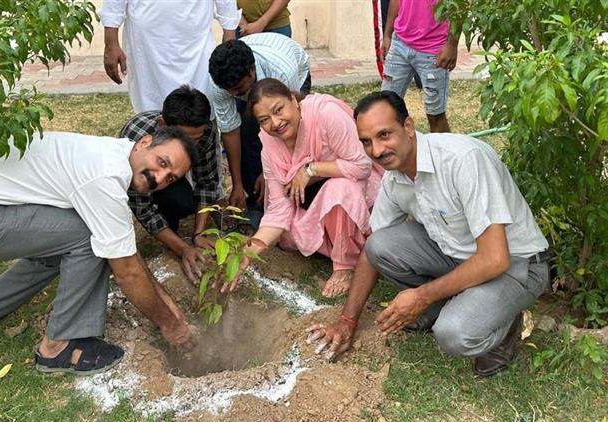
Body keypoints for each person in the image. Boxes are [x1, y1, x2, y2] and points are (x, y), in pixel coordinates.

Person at [305, 91, 551, 377]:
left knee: (453, 333)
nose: (377, 150)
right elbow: (373, 251)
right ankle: (458, 302)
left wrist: (421, 296)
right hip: (458, 255)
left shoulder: (463, 160)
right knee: (379, 245)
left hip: (517, 264)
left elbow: (495, 259)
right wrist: (347, 320)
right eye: (366, 142)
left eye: (385, 135)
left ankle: (505, 324)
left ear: (408, 127)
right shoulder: (395, 176)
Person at [0, 129, 198, 375]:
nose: (159, 178)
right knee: (89, 236)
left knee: (78, 233)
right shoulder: (105, 176)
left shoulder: (108, 153)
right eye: (162, 162)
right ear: (144, 142)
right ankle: (60, 346)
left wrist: (162, 296)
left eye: (170, 178)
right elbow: (127, 270)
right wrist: (171, 326)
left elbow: (126, 251)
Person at [223, 78, 382, 297]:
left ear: (293, 100)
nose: (276, 122)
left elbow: (362, 166)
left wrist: (310, 170)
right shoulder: (268, 144)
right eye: (264, 120)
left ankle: (345, 264)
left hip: (355, 187)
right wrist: (248, 253)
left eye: (279, 110)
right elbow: (279, 208)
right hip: (311, 199)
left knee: (340, 190)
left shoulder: (324, 114)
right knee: (284, 234)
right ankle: (339, 240)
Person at [118, 86, 222, 285]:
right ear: (161, 125)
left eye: (195, 140)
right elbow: (144, 209)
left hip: (171, 170)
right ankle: (169, 231)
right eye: (184, 139)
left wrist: (198, 234)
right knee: (166, 197)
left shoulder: (204, 131)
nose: (191, 145)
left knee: (184, 202)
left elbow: (207, 182)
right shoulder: (135, 141)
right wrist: (183, 249)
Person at [208, 33, 311, 224]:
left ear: (251, 71)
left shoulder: (282, 73)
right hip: (260, 59)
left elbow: (290, 128)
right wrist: (237, 185)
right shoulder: (221, 84)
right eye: (228, 91)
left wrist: (268, 171)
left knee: (284, 130)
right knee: (248, 135)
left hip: (292, 63)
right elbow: (231, 133)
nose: (232, 94)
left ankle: (290, 200)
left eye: (238, 90)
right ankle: (255, 204)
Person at [100, 0, 240, 113]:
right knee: (151, 109)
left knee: (200, 108)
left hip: (196, 47)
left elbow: (227, 4)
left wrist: (229, 46)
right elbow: (113, 4)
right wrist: (111, 43)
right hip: (147, 50)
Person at [380, 0, 459, 132]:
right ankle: (397, 150)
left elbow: (461, 6)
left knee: (435, 114)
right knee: (385, 106)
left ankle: (442, 152)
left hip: (433, 49)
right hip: (400, 43)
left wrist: (452, 44)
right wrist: (387, 34)